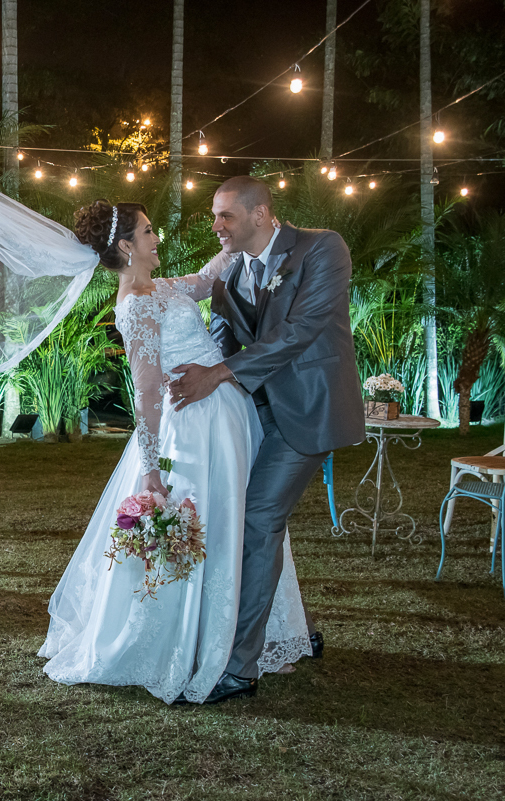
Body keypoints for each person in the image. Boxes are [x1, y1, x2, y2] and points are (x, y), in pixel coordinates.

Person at [38, 199, 313, 705]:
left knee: (245, 520)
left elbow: (206, 280)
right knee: (212, 523)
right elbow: (146, 393)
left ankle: (250, 634)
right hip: (193, 429)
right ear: (126, 246)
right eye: (148, 231)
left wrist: (235, 240)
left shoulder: (161, 288)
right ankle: (200, 639)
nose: (157, 237)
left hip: (227, 415)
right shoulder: (136, 305)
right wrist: (151, 470)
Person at [168, 176, 364, 703]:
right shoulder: (229, 274)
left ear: (260, 214)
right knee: (256, 522)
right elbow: (221, 338)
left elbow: (299, 331)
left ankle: (238, 668)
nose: (216, 226)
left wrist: (217, 374)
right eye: (214, 215)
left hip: (309, 412)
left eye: (225, 215)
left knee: (256, 519)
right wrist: (185, 375)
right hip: (251, 414)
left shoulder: (322, 248)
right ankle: (294, 633)